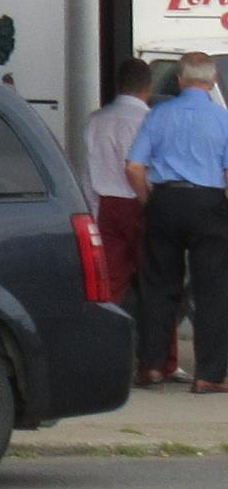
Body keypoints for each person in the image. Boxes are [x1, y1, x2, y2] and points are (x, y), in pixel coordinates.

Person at [127, 53, 228, 393]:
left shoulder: (158, 115)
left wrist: (147, 200)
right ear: (212, 81)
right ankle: (209, 375)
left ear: (181, 80)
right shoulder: (222, 119)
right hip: (208, 202)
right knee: (212, 290)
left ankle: (152, 367)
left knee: (158, 286)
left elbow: (134, 167)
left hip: (166, 200)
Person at [86, 57, 158, 336]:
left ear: (118, 85)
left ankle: (103, 344)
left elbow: (87, 172)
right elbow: (144, 169)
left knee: (108, 283)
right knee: (155, 281)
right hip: (141, 203)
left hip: (105, 206)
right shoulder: (150, 121)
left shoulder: (94, 121)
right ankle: (160, 360)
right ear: (148, 87)